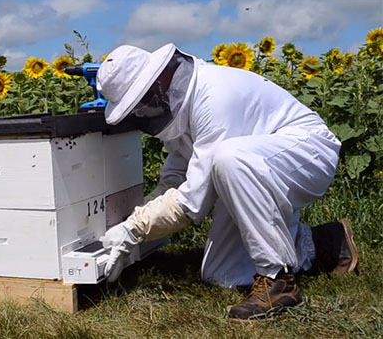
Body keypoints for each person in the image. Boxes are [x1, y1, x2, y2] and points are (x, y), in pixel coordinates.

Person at [96, 43, 359, 322]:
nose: (142, 114)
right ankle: (323, 243)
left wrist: (135, 229)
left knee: (229, 158)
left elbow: (193, 201)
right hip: (259, 163)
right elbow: (177, 177)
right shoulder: (180, 108)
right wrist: (137, 218)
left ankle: (277, 280)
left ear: (157, 87)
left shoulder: (215, 97)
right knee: (223, 274)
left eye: (140, 105)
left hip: (307, 152)